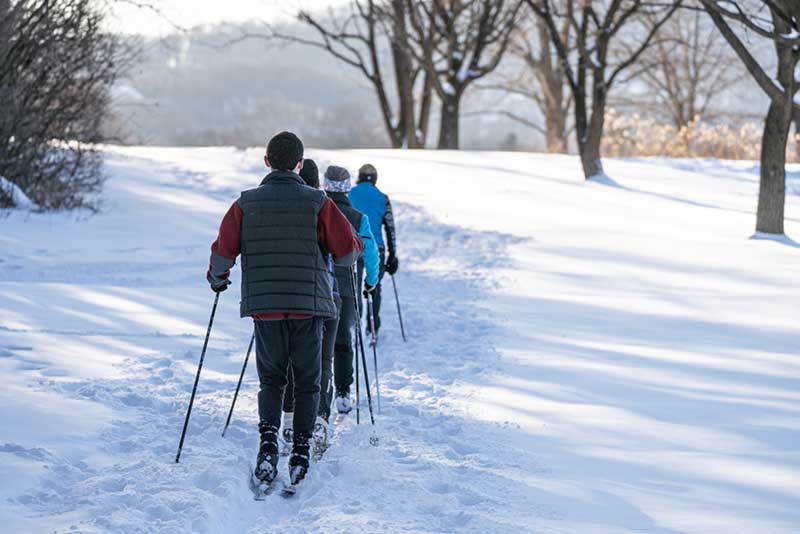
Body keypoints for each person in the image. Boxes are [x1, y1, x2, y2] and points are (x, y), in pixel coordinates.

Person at [207, 133, 361, 489]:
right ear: (299, 164)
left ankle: (267, 442)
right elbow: (348, 251)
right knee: (308, 380)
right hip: (308, 306)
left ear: (266, 161)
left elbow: (223, 253)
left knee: (272, 378)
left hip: (265, 307)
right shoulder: (318, 203)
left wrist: (217, 279)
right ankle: (302, 450)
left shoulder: (244, 205)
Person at [280, 158, 341, 454]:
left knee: (293, 361)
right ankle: (319, 418)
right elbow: (347, 249)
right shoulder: (323, 206)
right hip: (327, 295)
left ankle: (290, 420)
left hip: (288, 295)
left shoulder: (287, 208)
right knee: (322, 362)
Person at [322, 165, 380, 414]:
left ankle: (319, 389)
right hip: (347, 288)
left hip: (319, 287)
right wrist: (371, 281)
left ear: (325, 185)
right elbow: (371, 252)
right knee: (344, 339)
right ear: (347, 187)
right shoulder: (358, 217)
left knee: (319, 341)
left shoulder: (317, 211)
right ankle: (344, 391)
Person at [349, 163, 397, 343]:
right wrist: (393, 255)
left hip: (353, 247)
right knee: (373, 286)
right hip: (377, 248)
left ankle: (355, 325)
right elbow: (390, 229)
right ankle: (373, 325)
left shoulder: (350, 194)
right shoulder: (382, 198)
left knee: (353, 287)